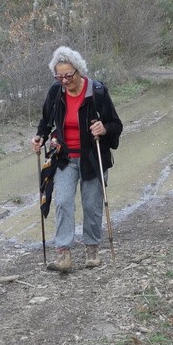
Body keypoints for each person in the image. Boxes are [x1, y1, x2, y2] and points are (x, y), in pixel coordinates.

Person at [31, 46, 123, 272]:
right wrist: (40, 137)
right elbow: (46, 121)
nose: (64, 81)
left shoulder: (97, 91)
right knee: (62, 202)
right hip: (64, 158)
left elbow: (116, 125)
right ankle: (64, 254)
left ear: (79, 71)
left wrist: (103, 128)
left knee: (91, 205)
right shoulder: (55, 93)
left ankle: (92, 249)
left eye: (68, 75)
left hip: (91, 157)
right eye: (59, 76)